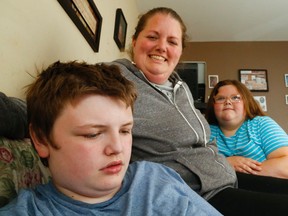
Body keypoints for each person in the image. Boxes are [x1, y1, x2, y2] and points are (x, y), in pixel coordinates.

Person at [107, 7, 288, 215]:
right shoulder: (115, 78)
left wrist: (224, 164)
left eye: (172, 42)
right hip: (196, 191)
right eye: (152, 37)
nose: (162, 47)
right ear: (134, 41)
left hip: (224, 177)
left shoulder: (180, 87)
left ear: (180, 50)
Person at [0, 61, 221, 215]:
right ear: (41, 140)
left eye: (125, 131)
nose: (118, 148)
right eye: (93, 134)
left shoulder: (156, 179)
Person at [205, 79, 288, 178]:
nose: (228, 102)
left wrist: (231, 169)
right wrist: (226, 163)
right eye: (221, 98)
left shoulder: (261, 124)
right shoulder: (204, 132)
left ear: (246, 102)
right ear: (213, 105)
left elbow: (285, 166)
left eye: (235, 97)